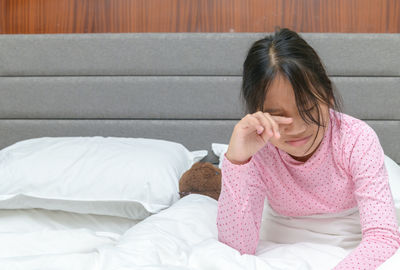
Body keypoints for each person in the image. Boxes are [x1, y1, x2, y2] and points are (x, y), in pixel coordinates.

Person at [216, 27, 400, 269]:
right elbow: (237, 247)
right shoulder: (260, 148)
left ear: (328, 95)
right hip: (284, 231)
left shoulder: (356, 139)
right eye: (278, 116)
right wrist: (238, 161)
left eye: (308, 109)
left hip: (352, 229)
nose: (296, 128)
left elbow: (383, 237)